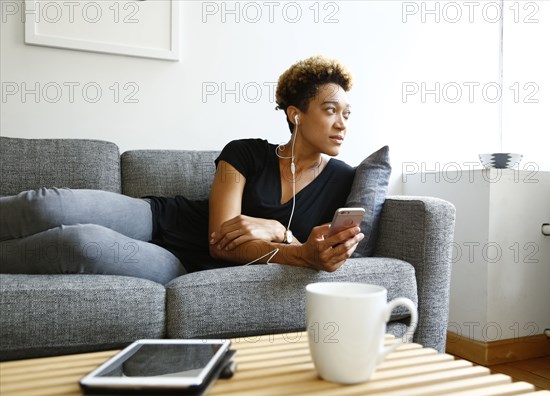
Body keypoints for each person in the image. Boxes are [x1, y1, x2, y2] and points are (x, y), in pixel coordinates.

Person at [0, 55, 364, 284]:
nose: (342, 123)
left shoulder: (345, 179)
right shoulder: (243, 153)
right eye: (331, 110)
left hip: (183, 266)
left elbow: (225, 254)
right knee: (45, 205)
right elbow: (219, 237)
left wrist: (280, 234)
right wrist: (279, 237)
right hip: (160, 219)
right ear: (295, 114)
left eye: (347, 113)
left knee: (78, 243)